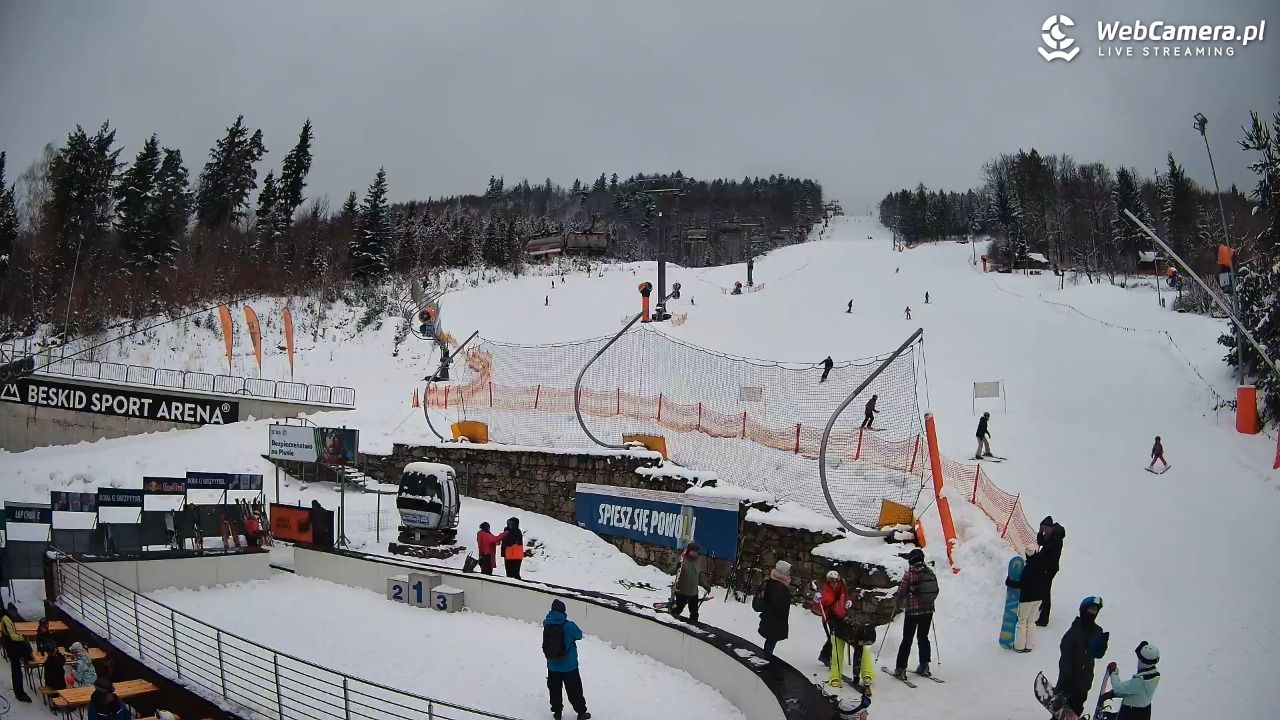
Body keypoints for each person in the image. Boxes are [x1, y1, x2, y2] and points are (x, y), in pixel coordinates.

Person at [1054, 596, 1109, 718]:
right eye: (1091, 609)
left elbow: (1097, 655)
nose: (1093, 613)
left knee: (1074, 713)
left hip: (1084, 682)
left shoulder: (1097, 631)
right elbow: (1065, 656)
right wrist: (1066, 678)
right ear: (1084, 610)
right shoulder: (1074, 632)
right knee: (1060, 715)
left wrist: (1102, 646)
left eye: (1095, 610)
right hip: (1068, 683)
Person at [893, 548, 939, 680]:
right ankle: (924, 666)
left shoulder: (910, 574)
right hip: (928, 611)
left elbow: (902, 592)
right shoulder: (930, 572)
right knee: (923, 637)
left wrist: (898, 596)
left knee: (907, 639)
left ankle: (901, 669)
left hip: (912, 612)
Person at [543, 599, 591, 720]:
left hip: (552, 665)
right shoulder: (569, 625)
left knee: (554, 690)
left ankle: (557, 713)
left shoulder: (547, 623)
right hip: (569, 666)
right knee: (574, 690)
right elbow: (579, 635)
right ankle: (581, 712)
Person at [1006, 546, 1049, 653]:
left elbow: (1020, 584)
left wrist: (1009, 581)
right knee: (1031, 621)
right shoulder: (1042, 565)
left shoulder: (1028, 569)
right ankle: (1029, 645)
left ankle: (1020, 646)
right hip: (1039, 598)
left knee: (1021, 622)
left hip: (1026, 599)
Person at [1103, 641, 1160, 719]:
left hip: (1131, 713)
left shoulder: (1141, 682)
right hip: (1142, 712)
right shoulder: (1153, 676)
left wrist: (1114, 672)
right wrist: (1113, 694)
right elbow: (1135, 692)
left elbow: (1118, 688)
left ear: (1142, 661)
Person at [754, 560, 792, 658]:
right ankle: (766, 658)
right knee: (771, 640)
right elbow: (776, 604)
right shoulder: (778, 586)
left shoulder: (777, 582)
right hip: (774, 620)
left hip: (774, 619)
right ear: (783, 572)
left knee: (771, 640)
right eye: (788, 571)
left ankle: (766, 657)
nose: (789, 573)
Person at [1036, 516, 1066, 627]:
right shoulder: (1050, 534)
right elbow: (1041, 542)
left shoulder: (1056, 538)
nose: (1044, 531)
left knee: (1045, 591)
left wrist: (1044, 567)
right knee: (1042, 588)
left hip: (1049, 568)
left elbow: (1049, 552)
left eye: (1044, 529)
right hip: (1045, 567)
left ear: (1049, 527)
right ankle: (1042, 605)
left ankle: (1044, 619)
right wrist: (1040, 532)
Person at [816, 571, 848, 673]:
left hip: (840, 616)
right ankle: (825, 656)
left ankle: (828, 656)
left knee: (837, 637)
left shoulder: (842, 588)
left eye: (835, 581)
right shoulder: (825, 592)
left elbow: (846, 597)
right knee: (832, 638)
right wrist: (817, 601)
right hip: (829, 617)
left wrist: (849, 602)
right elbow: (817, 607)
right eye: (831, 582)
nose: (833, 584)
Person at [1, 604, 32, 702]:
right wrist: (22, 637)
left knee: (17, 671)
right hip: (12, 648)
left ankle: (20, 692)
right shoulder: (6, 619)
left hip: (12, 648)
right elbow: (11, 636)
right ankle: (19, 693)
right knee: (16, 672)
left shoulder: (7, 618)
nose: (15, 614)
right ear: (11, 611)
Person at [670, 543, 708, 622]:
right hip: (682, 591)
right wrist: (676, 566)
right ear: (688, 551)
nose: (694, 553)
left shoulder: (698, 562)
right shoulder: (682, 560)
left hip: (693, 592)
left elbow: (700, 576)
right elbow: (671, 572)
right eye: (693, 551)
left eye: (696, 551)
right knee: (678, 609)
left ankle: (694, 625)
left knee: (694, 612)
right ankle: (670, 621)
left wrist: (706, 585)